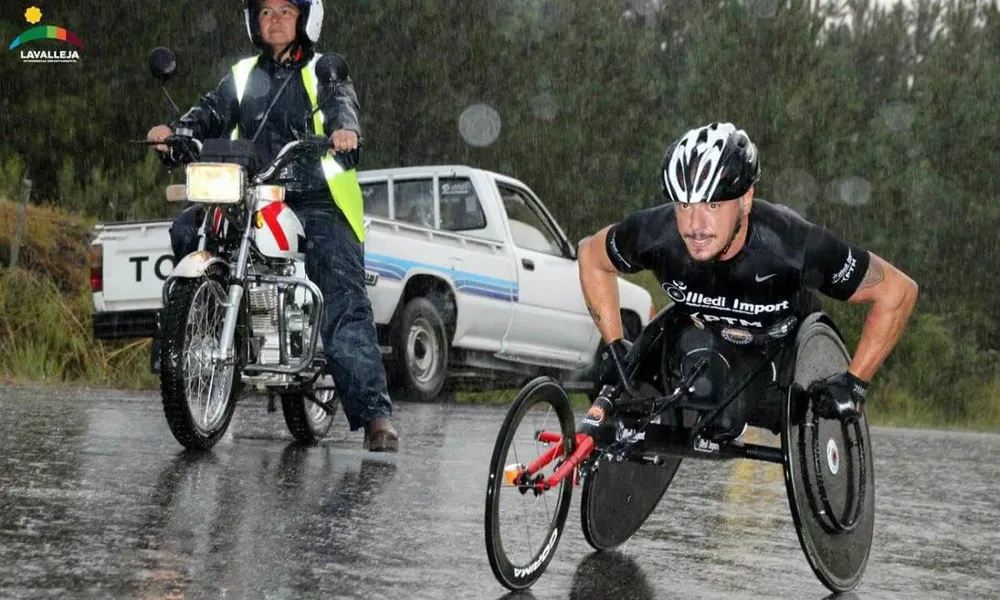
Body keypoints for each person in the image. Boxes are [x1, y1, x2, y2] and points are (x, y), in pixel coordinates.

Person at [146, 0, 398, 452]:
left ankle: (375, 414)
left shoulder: (325, 69)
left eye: (285, 10)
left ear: (304, 19)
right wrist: (176, 132)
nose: (275, 19)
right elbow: (208, 112)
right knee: (189, 229)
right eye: (266, 12)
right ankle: (197, 337)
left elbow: (342, 105)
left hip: (316, 197)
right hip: (253, 189)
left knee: (340, 292)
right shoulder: (242, 75)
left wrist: (344, 132)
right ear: (253, 22)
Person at [577, 122, 919, 440]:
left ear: (745, 199)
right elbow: (590, 256)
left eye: (712, 205)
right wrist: (614, 344)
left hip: (776, 352)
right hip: (702, 339)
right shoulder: (654, 233)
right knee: (686, 389)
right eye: (684, 204)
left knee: (724, 420)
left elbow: (898, 291)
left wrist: (855, 381)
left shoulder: (793, 245)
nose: (695, 225)